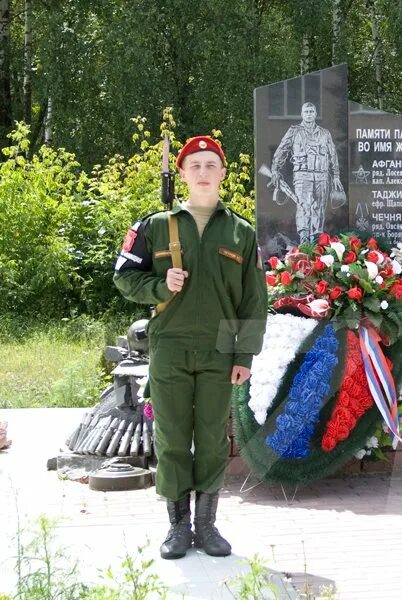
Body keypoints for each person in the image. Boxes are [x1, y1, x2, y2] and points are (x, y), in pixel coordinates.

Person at [113, 136, 267, 559]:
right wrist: (160, 286)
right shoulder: (155, 226)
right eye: (194, 165)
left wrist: (244, 355)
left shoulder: (241, 231)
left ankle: (208, 526)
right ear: (182, 174)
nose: (202, 172)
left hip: (220, 348)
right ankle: (178, 527)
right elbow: (124, 277)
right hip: (171, 346)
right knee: (173, 438)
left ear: (222, 173)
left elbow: (254, 299)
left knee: (214, 440)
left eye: (210, 165)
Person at [269, 102, 344, 243]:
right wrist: (275, 169)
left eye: (311, 111)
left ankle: (316, 238)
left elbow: (332, 154)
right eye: (306, 111)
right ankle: (304, 238)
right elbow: (282, 150)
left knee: (319, 208)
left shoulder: (324, 133)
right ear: (302, 114)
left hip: (322, 175)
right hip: (303, 175)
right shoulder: (294, 131)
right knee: (303, 206)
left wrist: (336, 176)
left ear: (315, 114)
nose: (309, 114)